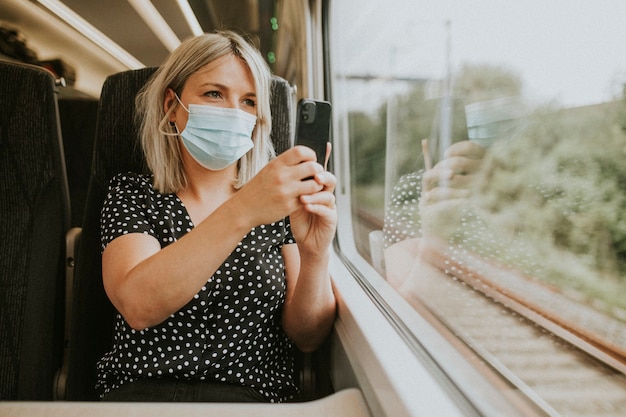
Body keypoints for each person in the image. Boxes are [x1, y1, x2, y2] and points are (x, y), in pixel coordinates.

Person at [96, 30, 337, 403]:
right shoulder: (133, 193)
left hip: (253, 400)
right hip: (141, 398)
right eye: (214, 93)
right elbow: (139, 306)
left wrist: (316, 254)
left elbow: (306, 337)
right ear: (171, 105)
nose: (233, 112)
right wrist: (244, 209)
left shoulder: (280, 205)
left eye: (249, 101)